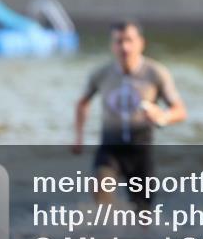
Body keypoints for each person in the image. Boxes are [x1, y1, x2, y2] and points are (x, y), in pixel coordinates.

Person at [73, 20, 188, 211]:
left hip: (140, 149)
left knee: (143, 214)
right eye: (119, 41)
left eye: (129, 40)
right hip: (110, 146)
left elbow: (180, 110)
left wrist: (162, 116)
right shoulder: (102, 74)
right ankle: (107, 235)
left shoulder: (155, 73)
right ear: (112, 45)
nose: (124, 47)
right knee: (100, 189)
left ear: (141, 43)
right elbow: (82, 102)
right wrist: (78, 137)